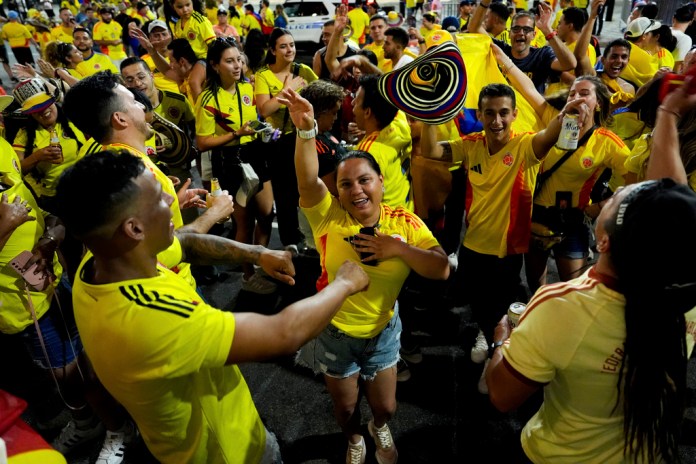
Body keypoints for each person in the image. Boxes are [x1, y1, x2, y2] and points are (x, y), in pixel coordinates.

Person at [54, 149, 369, 464]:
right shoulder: (153, 318)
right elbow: (284, 333)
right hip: (225, 451)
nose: (171, 199)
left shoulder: (102, 263)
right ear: (134, 229)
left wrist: (257, 253)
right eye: (159, 199)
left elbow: (186, 242)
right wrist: (345, 283)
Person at [485, 87, 696, 462]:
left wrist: (503, 340)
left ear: (602, 240)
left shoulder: (563, 307)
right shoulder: (683, 299)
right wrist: (668, 114)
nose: (615, 192)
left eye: (614, 198)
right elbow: (672, 210)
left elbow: (501, 395)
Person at [281, 87, 449, 464]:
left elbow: (441, 269)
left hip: (383, 333)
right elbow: (308, 181)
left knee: (386, 406)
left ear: (381, 183)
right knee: (344, 410)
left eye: (364, 180)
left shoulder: (404, 223)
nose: (355, 190)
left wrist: (399, 249)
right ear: (336, 191)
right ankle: (355, 437)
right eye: (345, 184)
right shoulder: (329, 217)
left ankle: (378, 427)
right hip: (335, 334)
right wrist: (306, 130)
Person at [420, 83, 581, 392]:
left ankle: (496, 360)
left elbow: (549, 136)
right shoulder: (471, 145)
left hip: (507, 251)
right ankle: (488, 333)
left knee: (502, 310)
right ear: (479, 115)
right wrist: (427, 115)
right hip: (471, 247)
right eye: (490, 113)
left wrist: (567, 113)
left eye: (504, 113)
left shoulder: (527, 147)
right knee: (481, 306)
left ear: (514, 114)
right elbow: (431, 151)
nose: (497, 121)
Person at [62, 71, 234, 289]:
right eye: (134, 102)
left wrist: (171, 204)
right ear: (120, 118)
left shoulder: (116, 159)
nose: (143, 106)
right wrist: (214, 213)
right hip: (168, 286)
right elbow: (154, 250)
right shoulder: (133, 171)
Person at [495, 47, 632, 291]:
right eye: (572, 94)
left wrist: (600, 207)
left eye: (584, 94)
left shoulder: (606, 142)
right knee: (536, 283)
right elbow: (523, 83)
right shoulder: (551, 119)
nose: (576, 98)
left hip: (572, 221)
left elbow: (635, 183)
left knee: (573, 288)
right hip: (534, 216)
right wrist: (495, 51)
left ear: (598, 104)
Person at [195, 37, 276, 294]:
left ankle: (260, 260)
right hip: (229, 161)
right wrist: (235, 134)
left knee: (267, 213)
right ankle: (248, 275)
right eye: (229, 61)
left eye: (238, 60)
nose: (237, 65)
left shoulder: (248, 88)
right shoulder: (207, 98)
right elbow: (203, 142)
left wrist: (264, 130)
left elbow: (255, 120)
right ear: (215, 65)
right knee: (245, 222)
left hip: (255, 154)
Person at [255, 27, 317, 248]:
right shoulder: (263, 75)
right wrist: (286, 90)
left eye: (291, 45)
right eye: (283, 46)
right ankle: (290, 241)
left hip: (304, 138)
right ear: (272, 50)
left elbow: (321, 93)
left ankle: (313, 237)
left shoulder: (303, 70)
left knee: (309, 187)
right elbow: (264, 110)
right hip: (278, 143)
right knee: (284, 195)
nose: (289, 49)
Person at [10, 78, 86, 215]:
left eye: (45, 104)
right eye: (36, 109)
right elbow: (16, 170)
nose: (43, 111)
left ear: (54, 101)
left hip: (87, 184)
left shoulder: (74, 117)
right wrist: (37, 156)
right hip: (53, 197)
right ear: (29, 113)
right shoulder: (24, 135)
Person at [469, 4, 577, 93]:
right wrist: (485, 2)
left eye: (526, 29)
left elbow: (570, 64)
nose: (521, 33)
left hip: (531, 116)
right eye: (516, 29)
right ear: (509, 32)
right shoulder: (499, 50)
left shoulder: (542, 55)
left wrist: (547, 31)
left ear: (534, 35)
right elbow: (474, 28)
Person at [120, 56, 195, 131]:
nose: (138, 83)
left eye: (141, 77)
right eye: (130, 80)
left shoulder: (178, 101)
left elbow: (195, 130)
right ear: (125, 84)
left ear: (151, 76)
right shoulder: (126, 113)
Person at [671, 5, 693, 72]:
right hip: (665, 75)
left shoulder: (663, 30)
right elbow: (677, 64)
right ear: (691, 22)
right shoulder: (685, 39)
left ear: (673, 18)